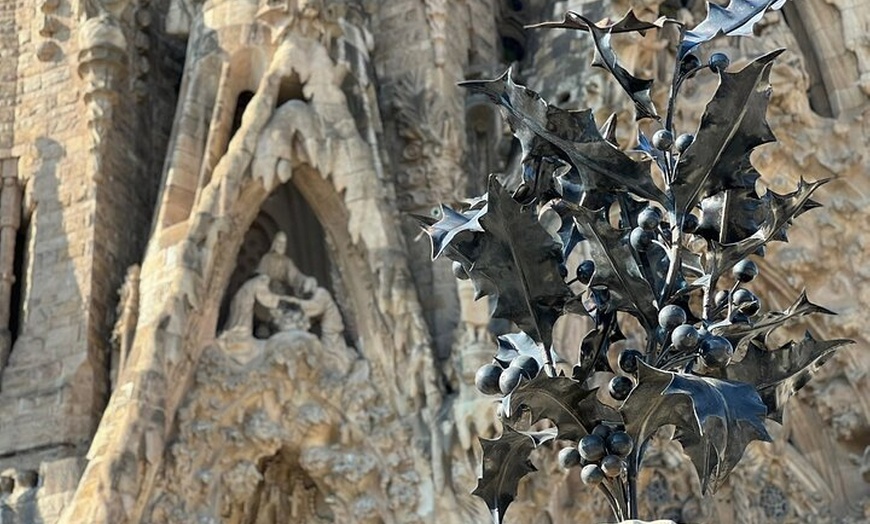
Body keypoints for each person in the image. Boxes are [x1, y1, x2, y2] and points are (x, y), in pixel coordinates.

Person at [224, 274, 294, 336]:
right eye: (279, 289)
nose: (277, 292)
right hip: (244, 304)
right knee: (241, 326)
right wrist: (279, 303)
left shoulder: (259, 281)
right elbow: (264, 297)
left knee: (237, 321)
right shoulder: (261, 281)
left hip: (242, 303)